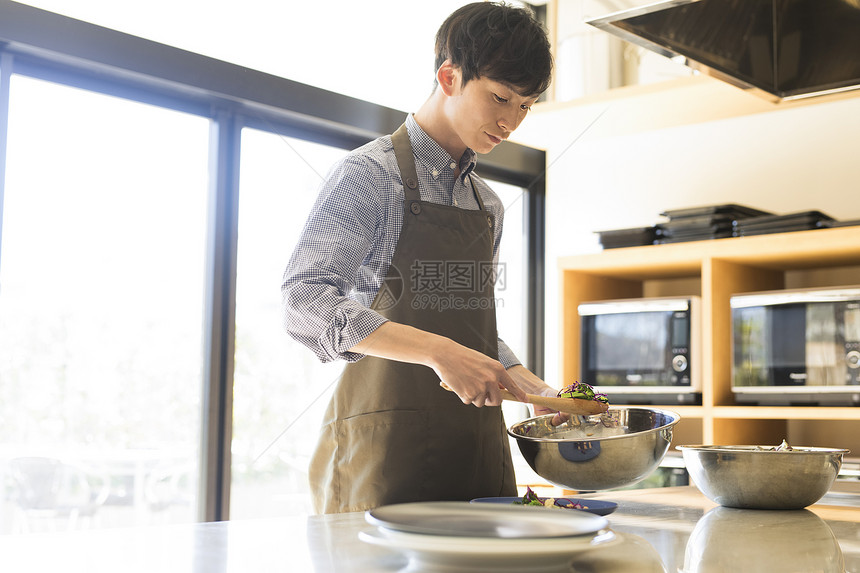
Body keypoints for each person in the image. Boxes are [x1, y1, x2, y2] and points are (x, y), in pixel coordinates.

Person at [282, 1, 560, 515]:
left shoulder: (487, 204)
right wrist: (437, 351)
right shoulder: (369, 175)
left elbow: (467, 326)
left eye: (526, 105)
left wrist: (523, 378)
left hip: (474, 453)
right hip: (383, 456)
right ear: (449, 77)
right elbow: (303, 301)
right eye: (500, 97)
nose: (511, 121)